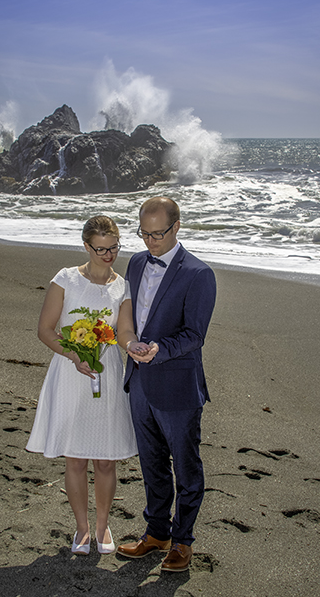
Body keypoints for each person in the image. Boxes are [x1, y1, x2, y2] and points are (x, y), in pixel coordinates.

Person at [26, 215, 137, 556]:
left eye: (114, 247)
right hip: (70, 373)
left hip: (107, 374)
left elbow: (124, 332)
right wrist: (74, 355)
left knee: (105, 460)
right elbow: (46, 330)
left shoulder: (123, 285)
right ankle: (82, 528)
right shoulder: (66, 279)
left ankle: (103, 526)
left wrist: (133, 347)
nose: (108, 255)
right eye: (101, 249)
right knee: (74, 459)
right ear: (86, 246)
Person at [117, 197, 216, 572]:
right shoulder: (137, 262)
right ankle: (156, 533)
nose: (150, 242)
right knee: (151, 463)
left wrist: (159, 349)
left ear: (177, 227)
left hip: (177, 386)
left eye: (158, 234)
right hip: (138, 381)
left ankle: (182, 542)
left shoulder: (199, 273)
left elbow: (195, 334)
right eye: (144, 233)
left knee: (186, 468)